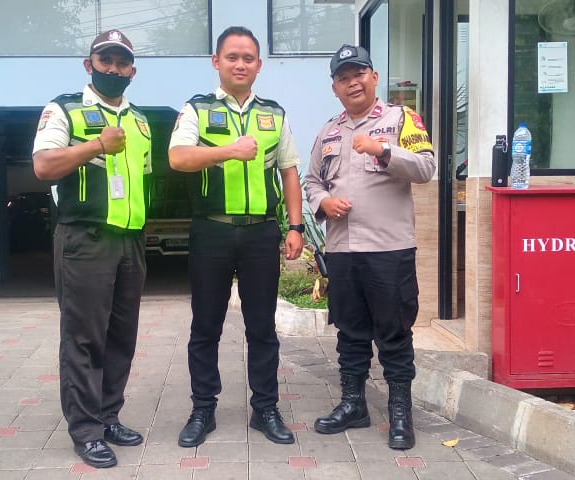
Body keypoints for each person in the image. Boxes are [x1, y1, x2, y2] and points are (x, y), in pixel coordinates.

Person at [168, 26, 305, 448]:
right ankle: (202, 410)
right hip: (211, 230)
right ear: (217, 62)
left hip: (261, 232)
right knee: (205, 325)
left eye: (248, 58)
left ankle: (265, 408)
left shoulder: (274, 114)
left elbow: (289, 171)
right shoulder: (197, 108)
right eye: (232, 57)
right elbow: (178, 157)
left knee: (261, 326)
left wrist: (295, 226)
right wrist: (228, 150)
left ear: (259, 65)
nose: (240, 64)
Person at [303, 44, 436, 450]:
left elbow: (426, 168)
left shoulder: (401, 119)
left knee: (394, 333)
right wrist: (324, 203)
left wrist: (383, 150)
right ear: (335, 88)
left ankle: (400, 413)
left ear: (374, 78)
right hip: (343, 250)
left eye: (359, 74)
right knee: (350, 331)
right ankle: (353, 404)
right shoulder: (328, 132)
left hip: (388, 250)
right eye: (343, 78)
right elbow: (312, 181)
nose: (353, 82)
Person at [31, 29, 152, 469]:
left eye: (122, 63)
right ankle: (85, 431)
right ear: (89, 65)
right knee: (83, 338)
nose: (113, 69)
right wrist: (98, 144)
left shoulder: (140, 121)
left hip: (129, 241)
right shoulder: (63, 109)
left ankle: (108, 416)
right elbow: (43, 166)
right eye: (106, 61)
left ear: (132, 71)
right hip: (84, 240)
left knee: (121, 336)